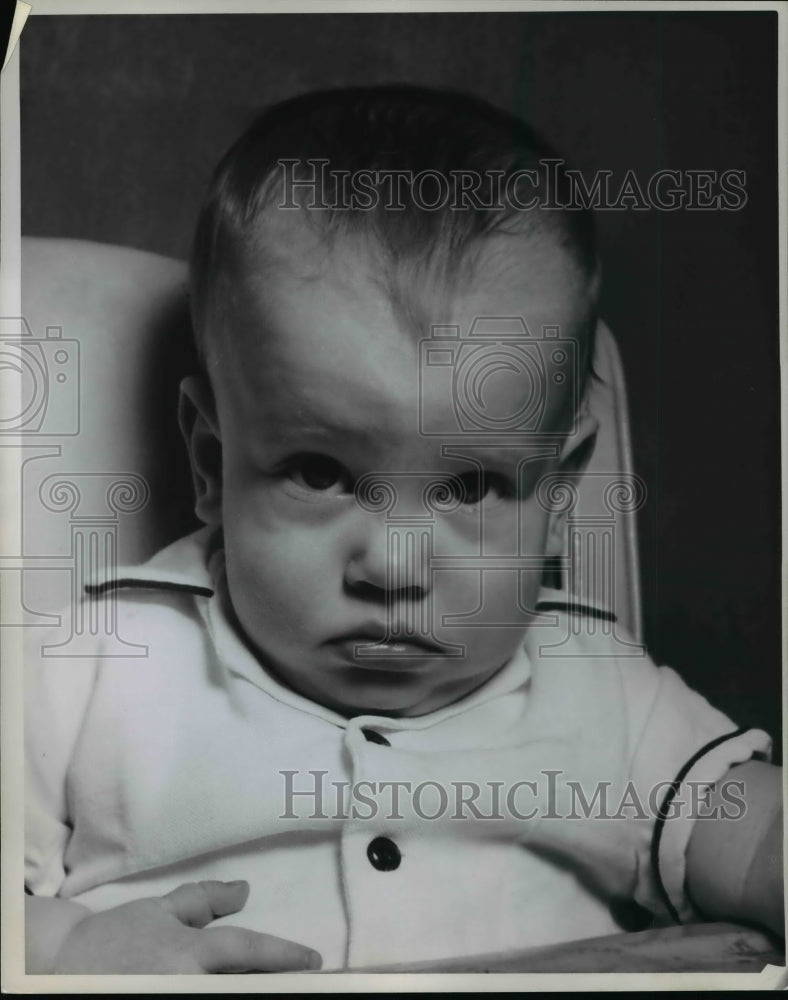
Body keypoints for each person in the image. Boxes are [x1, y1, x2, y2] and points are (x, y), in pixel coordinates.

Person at [24, 86, 784, 974]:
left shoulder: (594, 686)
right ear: (209, 463)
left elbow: (757, 830)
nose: (393, 565)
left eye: (470, 486)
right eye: (318, 472)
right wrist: (68, 948)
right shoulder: (101, 669)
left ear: (557, 494)